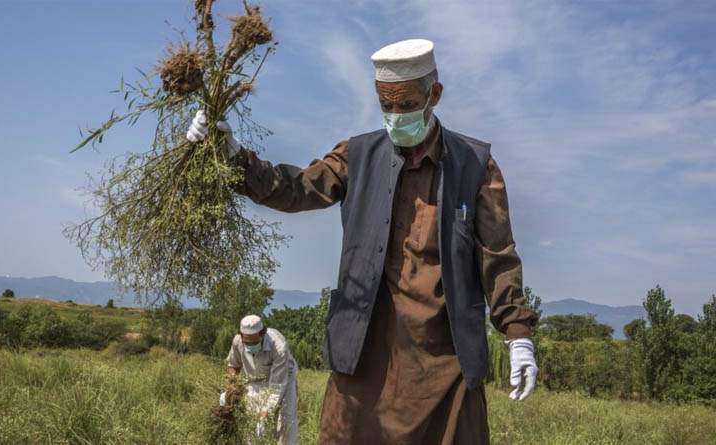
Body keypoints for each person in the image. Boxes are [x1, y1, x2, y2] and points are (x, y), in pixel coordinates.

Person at [193, 39, 539, 444]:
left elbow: (497, 256)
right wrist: (233, 154)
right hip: (365, 353)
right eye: (386, 105)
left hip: (444, 362)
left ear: (435, 95)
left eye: (406, 105)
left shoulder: (475, 166)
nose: (395, 116)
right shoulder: (357, 156)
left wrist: (518, 334)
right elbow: (295, 188)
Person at [221, 315, 299, 445]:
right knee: (252, 418)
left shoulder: (278, 346)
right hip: (254, 378)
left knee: (286, 420)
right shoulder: (238, 342)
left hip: (284, 377)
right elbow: (234, 365)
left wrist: (265, 415)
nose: (250, 345)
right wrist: (230, 387)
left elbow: (276, 387)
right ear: (241, 336)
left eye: (254, 342)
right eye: (247, 342)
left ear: (262, 335)